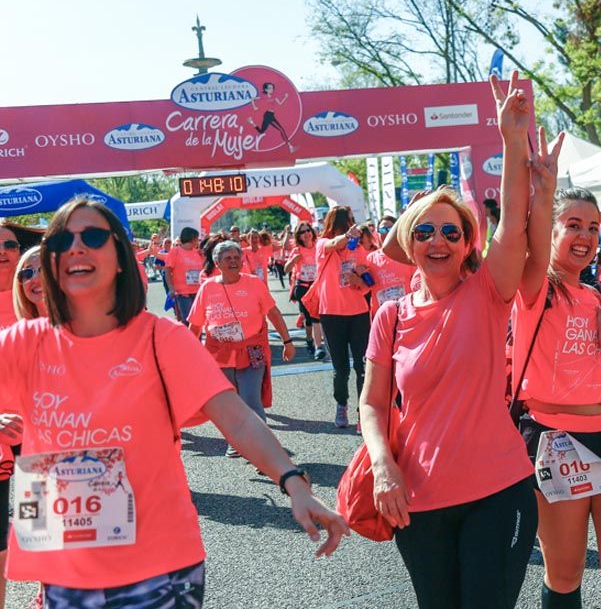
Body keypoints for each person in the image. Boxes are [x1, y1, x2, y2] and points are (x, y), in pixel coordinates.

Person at [0, 198, 347, 606]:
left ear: (121, 259)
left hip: (157, 565)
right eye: (63, 239)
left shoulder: (160, 338)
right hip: (63, 562)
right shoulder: (25, 343)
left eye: (93, 236)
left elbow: (236, 418)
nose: (76, 247)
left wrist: (294, 482)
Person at [360, 71, 538, 608]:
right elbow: (370, 402)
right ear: (409, 242)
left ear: (467, 246)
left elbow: (513, 226)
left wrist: (511, 142)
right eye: (424, 231)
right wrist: (381, 465)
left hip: (498, 490)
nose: (437, 240)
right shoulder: (389, 316)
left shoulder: (488, 292)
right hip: (416, 496)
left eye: (451, 232)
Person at [514, 176, 601, 609]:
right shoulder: (534, 290)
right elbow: (526, 240)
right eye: (573, 225)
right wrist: (538, 180)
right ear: (549, 232)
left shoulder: (600, 301)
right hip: (557, 442)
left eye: (593, 228)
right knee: (566, 574)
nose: (585, 236)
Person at [188, 240, 296, 457]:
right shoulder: (207, 287)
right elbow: (196, 325)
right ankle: (235, 442)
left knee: (251, 398)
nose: (234, 262)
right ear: (217, 263)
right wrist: (189, 356)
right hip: (219, 354)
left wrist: (287, 341)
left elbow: (273, 313)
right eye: (228, 259)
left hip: (251, 350)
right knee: (229, 403)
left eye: (237, 258)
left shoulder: (254, 283)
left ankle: (263, 450)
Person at [0, 223, 42, 608]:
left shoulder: (51, 305)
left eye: (9, 245)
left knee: (43, 525)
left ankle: (51, 592)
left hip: (42, 437)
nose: (2, 251)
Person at [315, 206, 371, 428]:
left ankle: (362, 410)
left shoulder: (357, 250)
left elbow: (369, 279)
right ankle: (341, 405)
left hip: (359, 313)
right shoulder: (322, 245)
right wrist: (346, 237)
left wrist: (361, 283)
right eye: (347, 220)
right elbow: (331, 244)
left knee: (363, 366)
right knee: (341, 368)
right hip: (331, 314)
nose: (351, 223)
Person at [286, 222, 326, 361]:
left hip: (318, 285)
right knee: (310, 318)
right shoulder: (297, 250)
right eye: (302, 232)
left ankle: (318, 345)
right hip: (302, 286)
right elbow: (286, 269)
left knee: (318, 316)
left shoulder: (319, 246)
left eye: (308, 230)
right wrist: (293, 261)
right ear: (299, 236)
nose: (306, 233)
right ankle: (311, 340)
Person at [165, 226, 204, 322]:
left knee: (198, 320)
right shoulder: (175, 251)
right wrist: (171, 288)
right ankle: (189, 337)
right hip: (182, 292)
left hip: (197, 290)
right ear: (192, 238)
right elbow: (167, 270)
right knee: (187, 319)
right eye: (197, 238)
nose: (198, 241)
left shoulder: (197, 253)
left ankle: (195, 337)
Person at [249, 81, 297, 153]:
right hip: (267, 115)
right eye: (270, 88)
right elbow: (252, 99)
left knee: (262, 131)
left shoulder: (274, 97)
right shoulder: (263, 97)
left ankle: (252, 122)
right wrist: (254, 107)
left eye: (272, 88)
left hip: (271, 115)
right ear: (266, 90)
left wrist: (285, 97)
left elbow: (280, 103)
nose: (272, 89)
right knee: (280, 129)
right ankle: (290, 147)